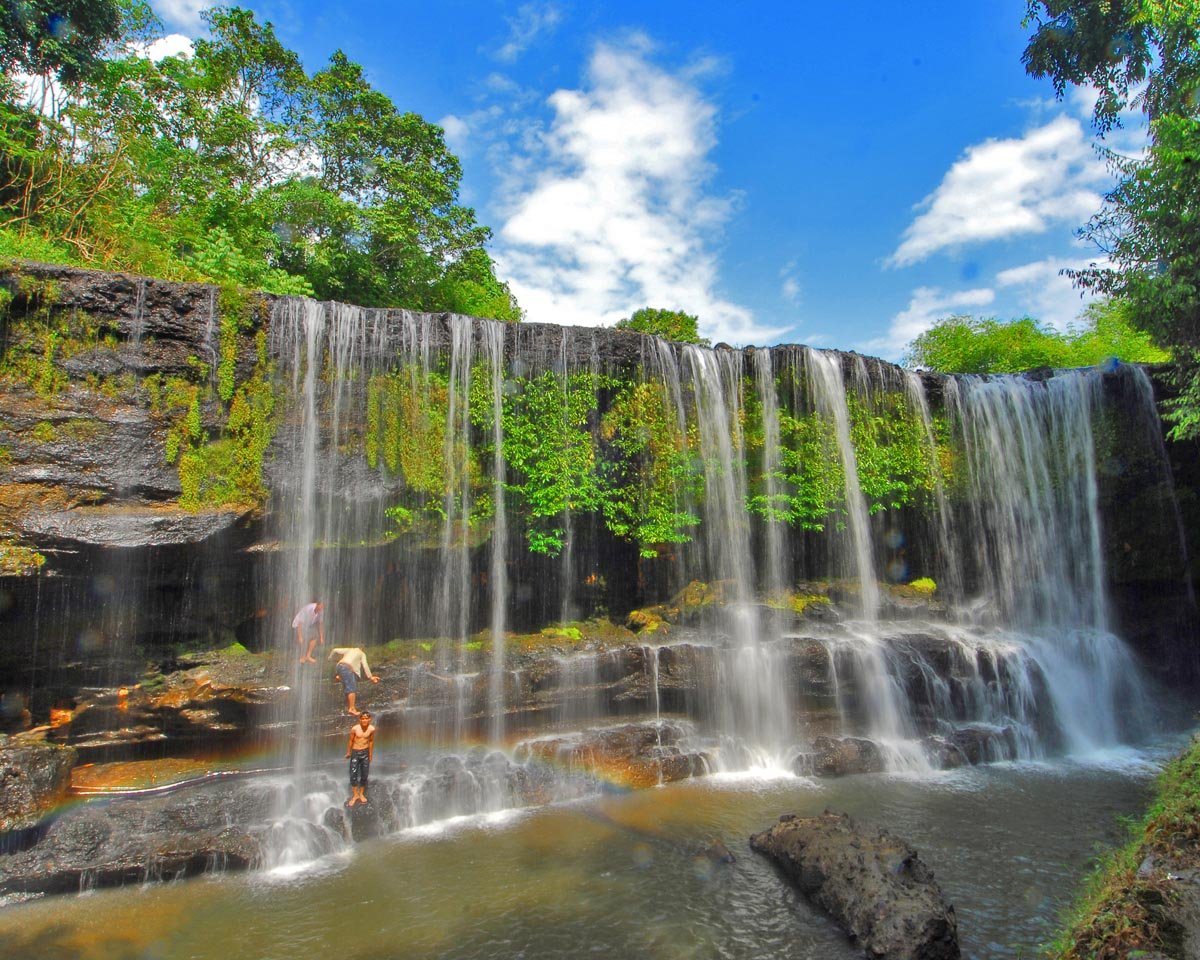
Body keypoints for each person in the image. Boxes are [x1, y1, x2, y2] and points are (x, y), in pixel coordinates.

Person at [329, 646, 380, 715]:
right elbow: (365, 665)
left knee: (347, 684)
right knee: (352, 688)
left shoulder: (349, 649)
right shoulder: (362, 653)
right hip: (348, 668)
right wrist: (371, 677)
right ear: (362, 648)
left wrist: (330, 658)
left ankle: (340, 677)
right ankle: (352, 708)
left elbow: (334, 650)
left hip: (339, 667)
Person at [345, 710, 375, 807]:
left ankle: (361, 794)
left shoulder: (372, 729)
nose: (364, 720)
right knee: (353, 774)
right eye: (363, 719)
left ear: (369, 719)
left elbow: (371, 741)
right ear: (360, 719)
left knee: (364, 774)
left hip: (365, 752)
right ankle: (355, 795)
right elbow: (351, 740)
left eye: (366, 718)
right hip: (355, 752)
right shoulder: (355, 728)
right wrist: (349, 752)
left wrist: (370, 754)